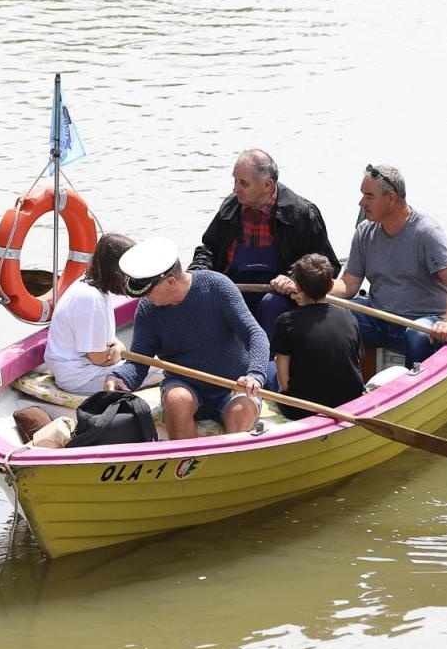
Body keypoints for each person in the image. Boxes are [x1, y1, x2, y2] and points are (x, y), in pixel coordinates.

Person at [300, 164, 447, 368]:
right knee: (328, 315)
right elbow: (348, 286)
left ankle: (411, 392)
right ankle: (340, 387)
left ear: (390, 198)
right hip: (378, 318)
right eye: (363, 195)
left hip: (422, 322)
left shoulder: (426, 232)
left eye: (369, 196)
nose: (361, 202)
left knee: (417, 335)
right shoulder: (365, 232)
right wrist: (308, 287)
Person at [103, 237, 272, 439]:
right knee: (176, 401)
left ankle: (229, 466)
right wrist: (118, 378)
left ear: (170, 282)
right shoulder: (148, 310)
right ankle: (186, 464)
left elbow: (256, 334)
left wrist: (255, 375)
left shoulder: (217, 286)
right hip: (185, 386)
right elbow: (139, 362)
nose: (144, 297)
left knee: (242, 411)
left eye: (147, 291)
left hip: (234, 384)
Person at [190, 148, 339, 340]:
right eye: (234, 180)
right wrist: (197, 273)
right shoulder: (231, 205)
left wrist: (296, 281)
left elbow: (329, 267)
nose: (235, 189)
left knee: (271, 304)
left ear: (267, 185)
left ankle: (266, 366)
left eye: (243, 183)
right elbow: (209, 249)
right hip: (234, 291)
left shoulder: (301, 214)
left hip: (280, 300)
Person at [269, 253, 363, 420]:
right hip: (349, 404)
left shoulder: (285, 322)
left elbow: (284, 385)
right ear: (331, 285)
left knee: (269, 368)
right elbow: (354, 367)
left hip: (301, 410)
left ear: (296, 285)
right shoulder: (350, 318)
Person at [43, 232, 134, 394]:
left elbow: (108, 344)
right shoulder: (90, 299)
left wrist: (118, 347)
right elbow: (99, 358)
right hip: (80, 377)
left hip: (84, 369)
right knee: (161, 372)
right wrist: (120, 350)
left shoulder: (92, 287)